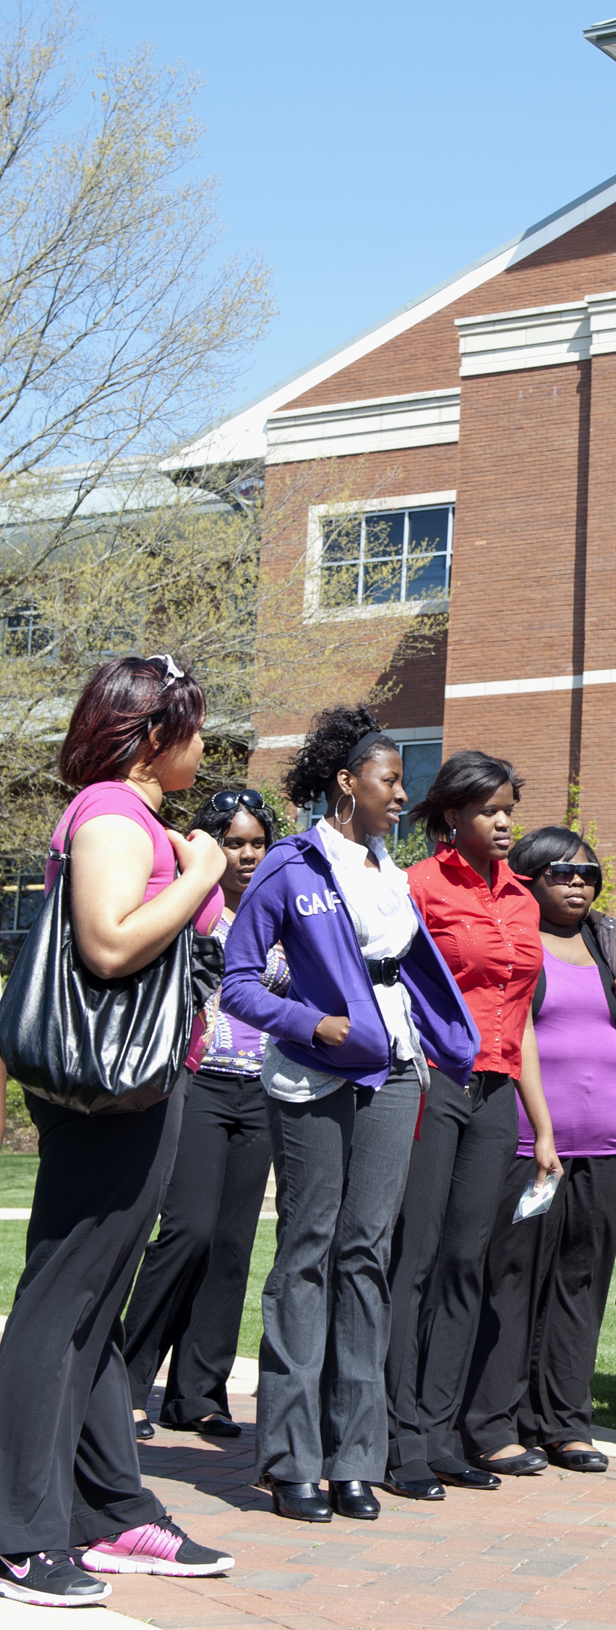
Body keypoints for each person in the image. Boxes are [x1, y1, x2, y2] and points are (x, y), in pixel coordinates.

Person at [0, 655, 234, 1607]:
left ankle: (107, 1508)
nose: (206, 744)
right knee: (62, 1298)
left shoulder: (137, 819)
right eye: (194, 725)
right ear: (150, 733)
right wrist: (205, 868)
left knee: (96, 1302)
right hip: (106, 1092)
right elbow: (104, 941)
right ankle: (20, 1528)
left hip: (142, 1083)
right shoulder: (108, 814)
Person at [220, 707, 480, 1524]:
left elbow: (409, 973)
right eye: (390, 779)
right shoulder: (290, 867)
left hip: (395, 1069)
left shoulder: (390, 872)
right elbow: (237, 983)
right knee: (307, 1250)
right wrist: (310, 1023)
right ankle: (292, 1456)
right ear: (345, 782)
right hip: (312, 1074)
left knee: (366, 1254)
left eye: (401, 782)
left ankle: (354, 1455)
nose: (402, 794)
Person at [461, 827, 616, 1473]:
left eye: (589, 872)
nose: (580, 882)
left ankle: (564, 1420)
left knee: (579, 1283)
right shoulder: (513, 940)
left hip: (607, 1147)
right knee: (511, 1281)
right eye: (563, 872)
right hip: (529, 1146)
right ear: (530, 878)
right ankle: (494, 1422)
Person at [383, 750, 539, 1500]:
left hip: (497, 1088)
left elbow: (524, 1011)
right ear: (454, 815)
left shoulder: (525, 899)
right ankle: (394, 1432)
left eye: (510, 807)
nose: (505, 820)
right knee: (413, 1257)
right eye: (489, 809)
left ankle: (441, 1433)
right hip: (433, 1079)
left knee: (464, 1262)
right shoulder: (416, 886)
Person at [124, 787, 283, 1444]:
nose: (246, 853)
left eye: (256, 841)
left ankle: (198, 1392)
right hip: (198, 1084)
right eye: (233, 840)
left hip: (263, 1090)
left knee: (231, 1243)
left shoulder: (282, 917)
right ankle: (126, 1383)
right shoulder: (200, 908)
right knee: (186, 1229)